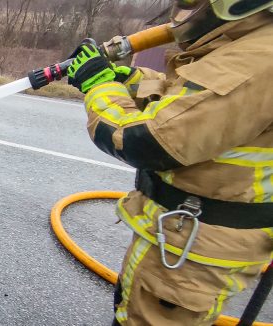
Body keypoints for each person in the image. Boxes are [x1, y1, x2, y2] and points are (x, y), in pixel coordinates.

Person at [65, 0, 273, 324]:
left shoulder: (259, 59)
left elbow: (145, 141)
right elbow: (187, 101)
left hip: (194, 246)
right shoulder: (244, 43)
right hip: (183, 234)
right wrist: (132, 80)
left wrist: (99, 85)